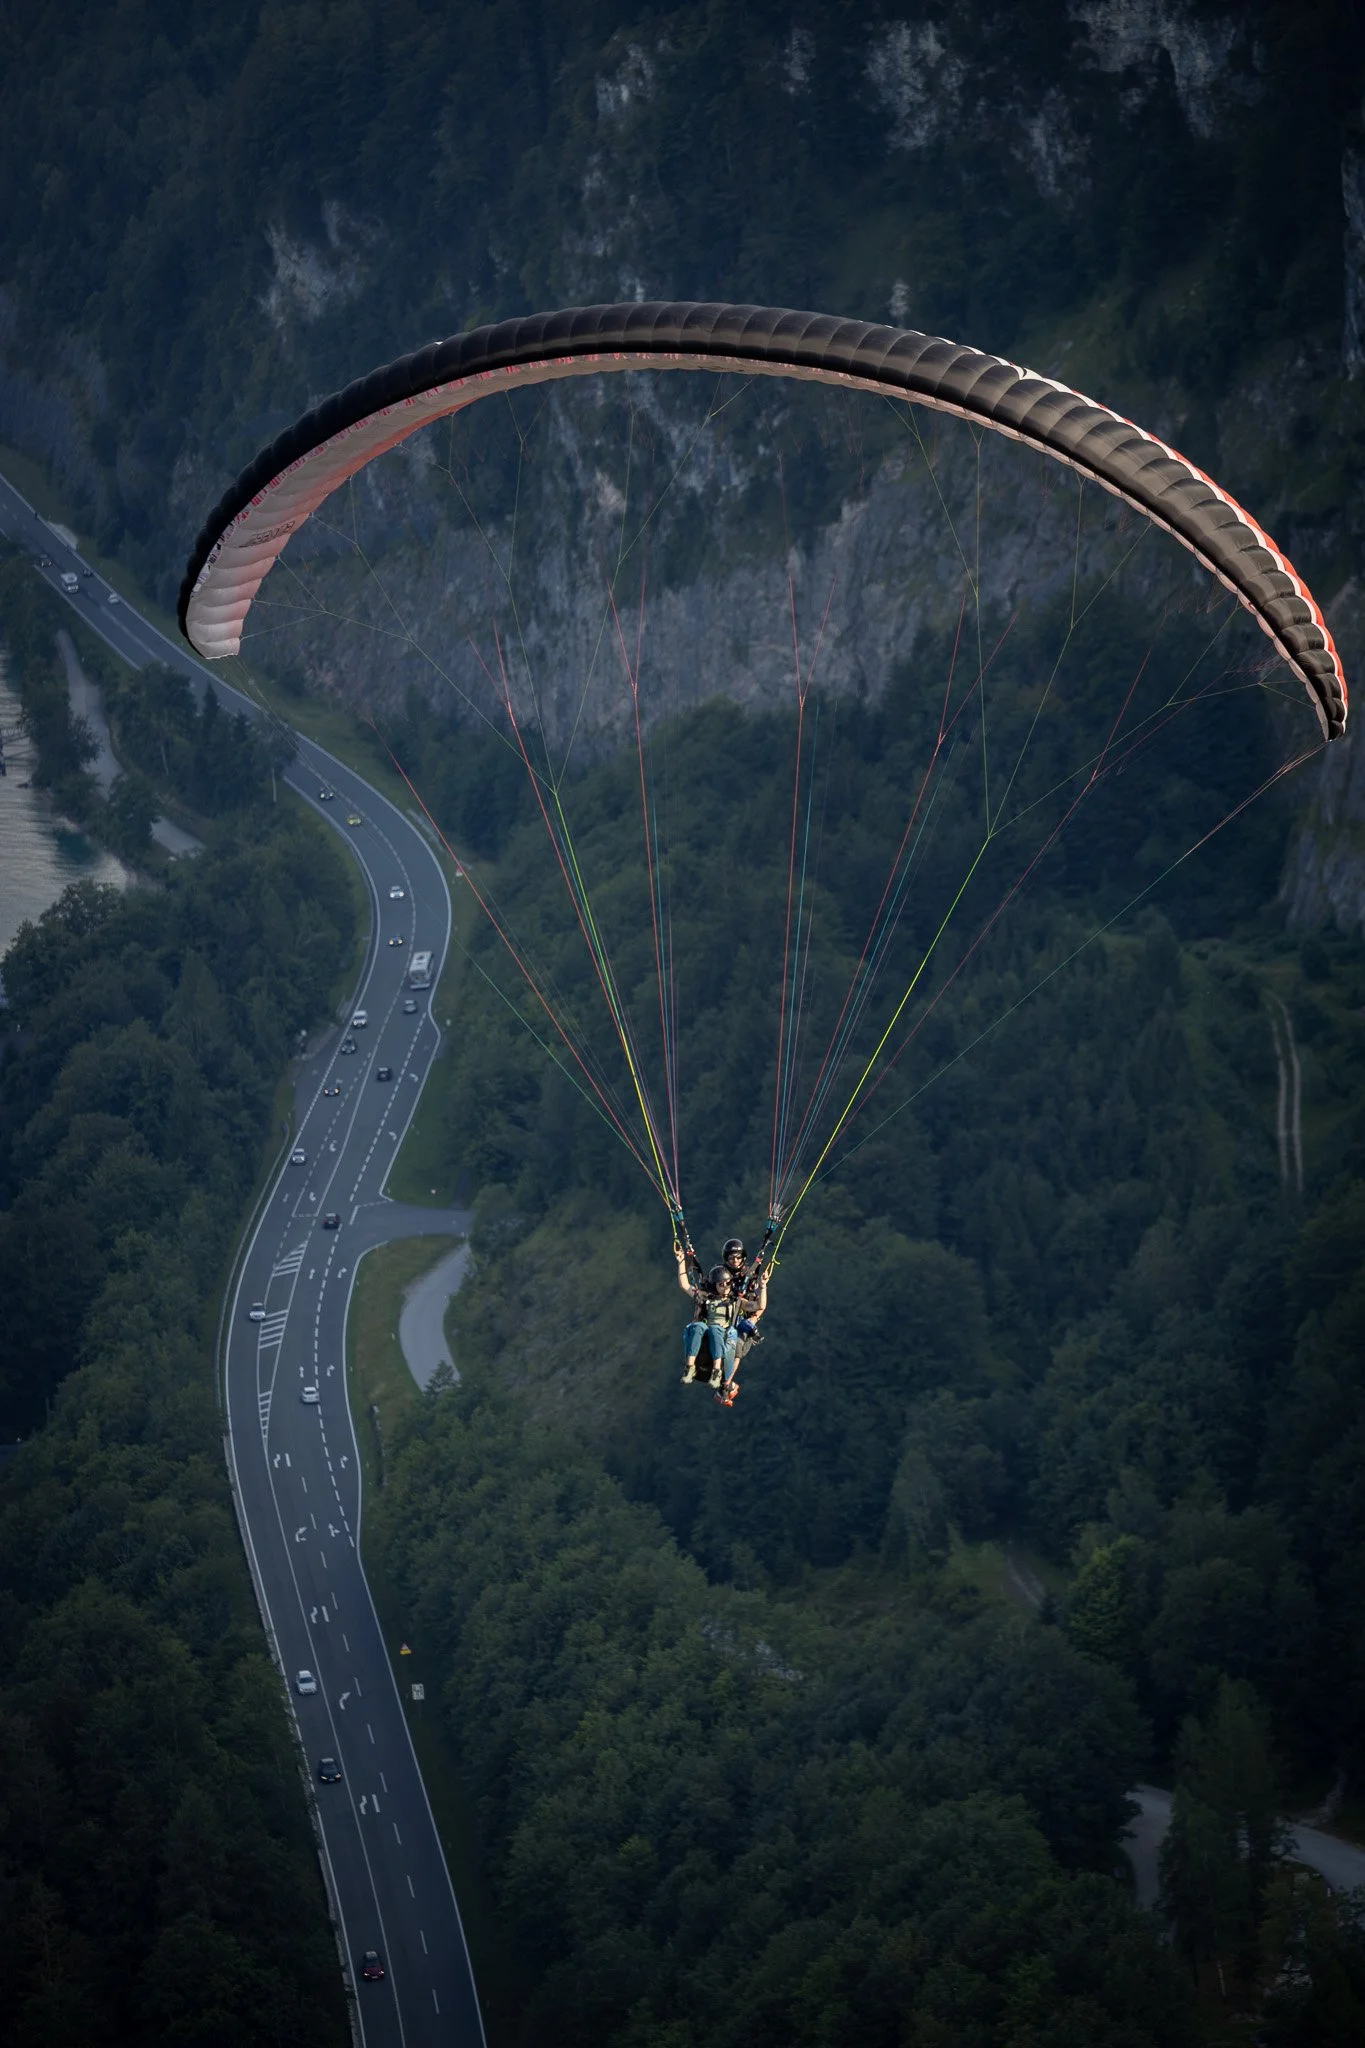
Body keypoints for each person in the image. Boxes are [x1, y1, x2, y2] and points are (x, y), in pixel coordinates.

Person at [676, 1252, 740, 1391]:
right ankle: (690, 1367)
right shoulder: (706, 1298)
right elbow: (684, 1285)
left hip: (723, 1332)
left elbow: (759, 1306)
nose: (725, 1286)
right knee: (696, 1326)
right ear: (714, 1286)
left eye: (728, 1283)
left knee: (715, 1329)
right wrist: (681, 1262)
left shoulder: (736, 1300)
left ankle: (717, 1371)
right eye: (721, 1284)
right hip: (708, 1330)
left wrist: (763, 1286)